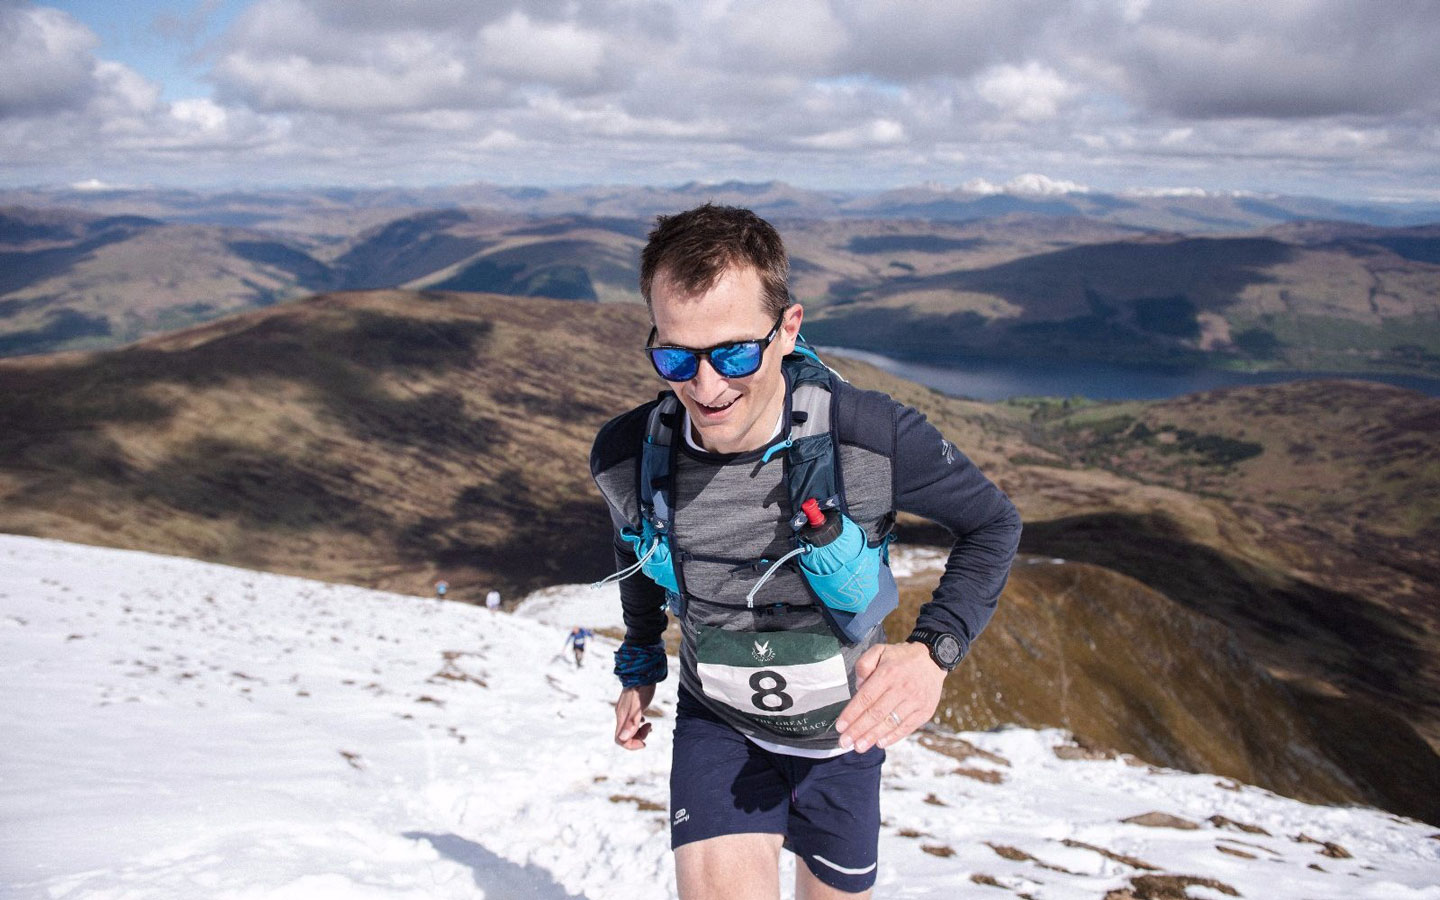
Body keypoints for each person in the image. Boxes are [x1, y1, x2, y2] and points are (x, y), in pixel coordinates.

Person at [590, 204, 1021, 899]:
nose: (706, 387)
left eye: (734, 353)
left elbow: (994, 524)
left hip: (843, 742)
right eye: (675, 356)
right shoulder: (627, 454)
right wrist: (640, 660)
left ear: (788, 328)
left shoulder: (870, 436)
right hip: (719, 726)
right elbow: (635, 546)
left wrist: (934, 652)